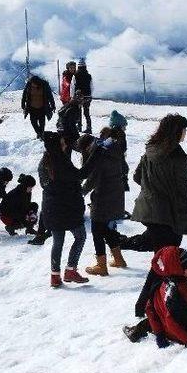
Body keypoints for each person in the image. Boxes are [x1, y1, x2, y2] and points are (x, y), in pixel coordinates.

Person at [131, 114, 187, 317]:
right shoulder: (177, 158)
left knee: (161, 262)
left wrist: (155, 190)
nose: (185, 133)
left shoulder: (150, 151)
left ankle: (152, 305)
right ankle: (145, 307)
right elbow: (185, 190)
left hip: (150, 212)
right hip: (168, 217)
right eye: (184, 130)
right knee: (164, 265)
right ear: (177, 132)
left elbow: (136, 177)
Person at [39, 131, 100, 287]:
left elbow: (44, 184)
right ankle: (70, 270)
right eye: (62, 142)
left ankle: (55, 276)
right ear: (58, 146)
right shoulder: (60, 161)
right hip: (67, 208)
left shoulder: (45, 161)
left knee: (57, 242)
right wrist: (97, 151)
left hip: (51, 208)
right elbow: (82, 174)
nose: (65, 144)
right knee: (80, 236)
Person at [124, 247, 187, 348]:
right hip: (180, 333)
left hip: (164, 329)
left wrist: (159, 334)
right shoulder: (184, 291)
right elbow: (171, 320)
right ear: (179, 269)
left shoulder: (161, 283)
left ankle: (136, 332)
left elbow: (150, 309)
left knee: (151, 320)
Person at [78, 134, 127, 276]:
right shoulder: (112, 149)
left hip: (103, 198)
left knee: (97, 231)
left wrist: (81, 191)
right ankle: (119, 259)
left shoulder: (99, 154)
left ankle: (101, 266)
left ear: (88, 147)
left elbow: (93, 178)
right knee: (107, 229)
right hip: (116, 195)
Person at [73, 58, 93, 134]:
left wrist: (73, 96)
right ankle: (89, 127)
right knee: (86, 112)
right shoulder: (89, 76)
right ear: (85, 67)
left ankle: (79, 127)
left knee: (79, 111)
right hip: (87, 96)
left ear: (78, 67)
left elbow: (73, 86)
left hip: (79, 96)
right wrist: (90, 94)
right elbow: (92, 86)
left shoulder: (75, 75)